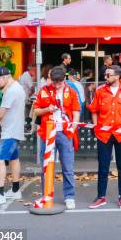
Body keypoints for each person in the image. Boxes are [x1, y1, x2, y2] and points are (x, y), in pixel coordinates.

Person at [88, 65, 121, 209]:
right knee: (102, 167)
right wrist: (97, 126)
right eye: (105, 75)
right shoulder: (100, 91)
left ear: (117, 76)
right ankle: (101, 196)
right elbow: (94, 110)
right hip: (104, 135)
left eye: (108, 75)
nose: (105, 77)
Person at [32, 66, 81, 210]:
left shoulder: (71, 92)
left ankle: (69, 196)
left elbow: (76, 111)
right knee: (46, 166)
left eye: (59, 82)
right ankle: (46, 194)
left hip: (65, 132)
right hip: (47, 133)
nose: (56, 84)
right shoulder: (44, 91)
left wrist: (73, 128)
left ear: (64, 79)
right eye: (54, 81)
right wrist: (47, 109)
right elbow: (36, 110)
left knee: (67, 166)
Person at [0, 67, 27, 207]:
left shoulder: (11, 91)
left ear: (5, 77)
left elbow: (1, 113)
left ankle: (0, 193)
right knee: (14, 159)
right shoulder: (17, 88)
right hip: (14, 129)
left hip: (10, 131)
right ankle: (15, 190)